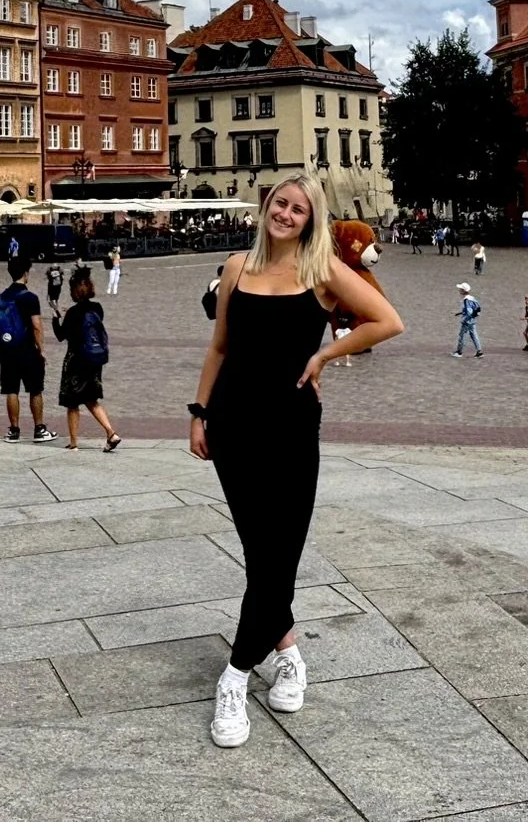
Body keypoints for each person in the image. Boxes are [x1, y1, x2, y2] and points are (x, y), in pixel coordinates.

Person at [188, 174, 402, 748]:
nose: (286, 214)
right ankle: (287, 654)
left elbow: (388, 320)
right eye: (280, 204)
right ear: (267, 208)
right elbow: (220, 347)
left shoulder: (324, 270)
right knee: (262, 552)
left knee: (280, 551)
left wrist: (326, 352)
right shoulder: (236, 267)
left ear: (312, 218)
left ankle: (233, 676)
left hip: (290, 425)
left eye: (298, 209)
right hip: (232, 423)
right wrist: (199, 412)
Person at [54, 265, 120, 451]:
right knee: (92, 399)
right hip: (94, 360)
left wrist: (55, 317)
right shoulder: (97, 308)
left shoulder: (73, 313)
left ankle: (74, 442)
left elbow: (61, 335)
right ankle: (111, 432)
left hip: (76, 361)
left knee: (73, 403)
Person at [0, 257, 56, 444]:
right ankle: (39, 429)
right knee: (35, 389)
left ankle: (13, 430)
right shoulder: (30, 298)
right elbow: (37, 326)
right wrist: (41, 349)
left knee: (11, 389)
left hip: (7, 350)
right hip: (27, 350)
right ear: (26, 274)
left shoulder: (1, 297)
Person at [453, 283, 483, 357]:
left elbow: (469, 312)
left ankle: (459, 352)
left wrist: (465, 320)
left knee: (462, 336)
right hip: (473, 320)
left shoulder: (466, 300)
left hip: (467, 321)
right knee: (474, 335)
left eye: (460, 289)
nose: (459, 290)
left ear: (463, 291)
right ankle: (479, 351)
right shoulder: (472, 298)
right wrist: (460, 313)